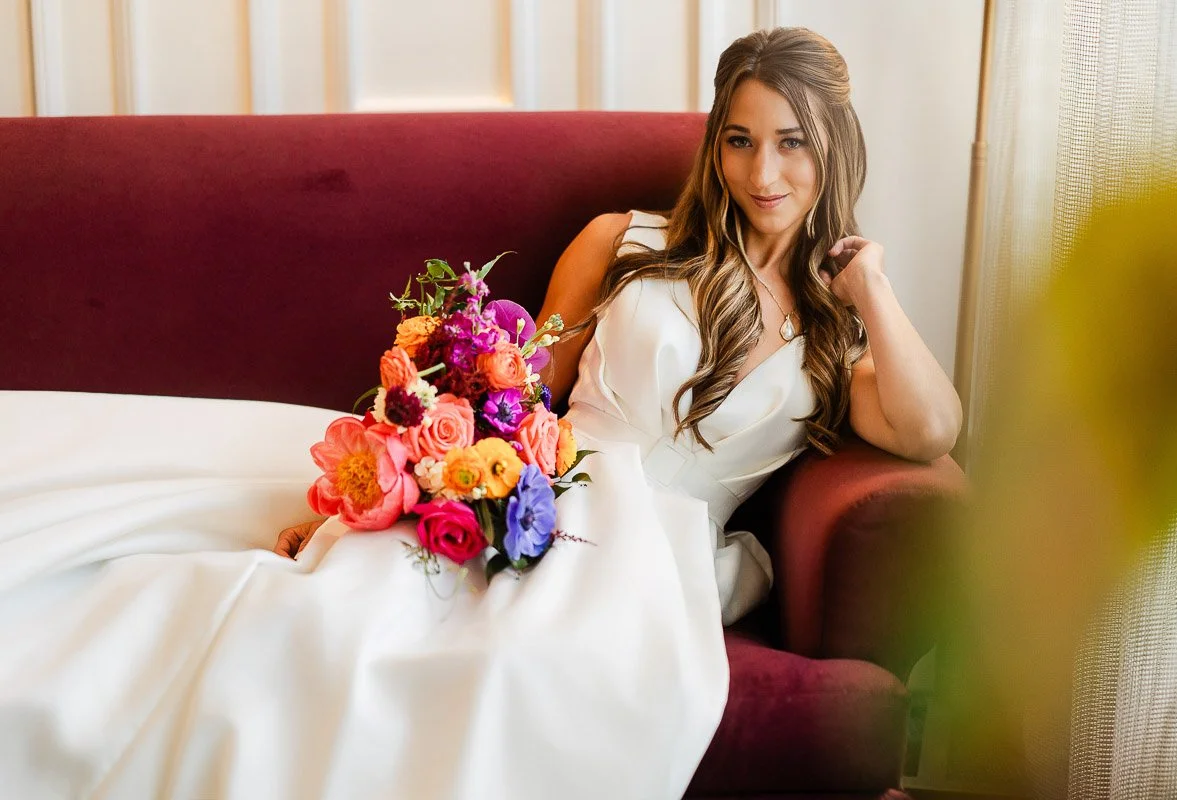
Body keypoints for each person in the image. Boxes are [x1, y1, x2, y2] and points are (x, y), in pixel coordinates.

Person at [0, 27, 958, 800]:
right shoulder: (626, 242)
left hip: (660, 550)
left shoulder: (837, 336)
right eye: (740, 139)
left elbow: (931, 432)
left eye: (793, 141)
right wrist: (409, 479)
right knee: (328, 619)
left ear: (834, 146)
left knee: (510, 668)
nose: (763, 171)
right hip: (539, 485)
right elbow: (519, 386)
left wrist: (869, 282)